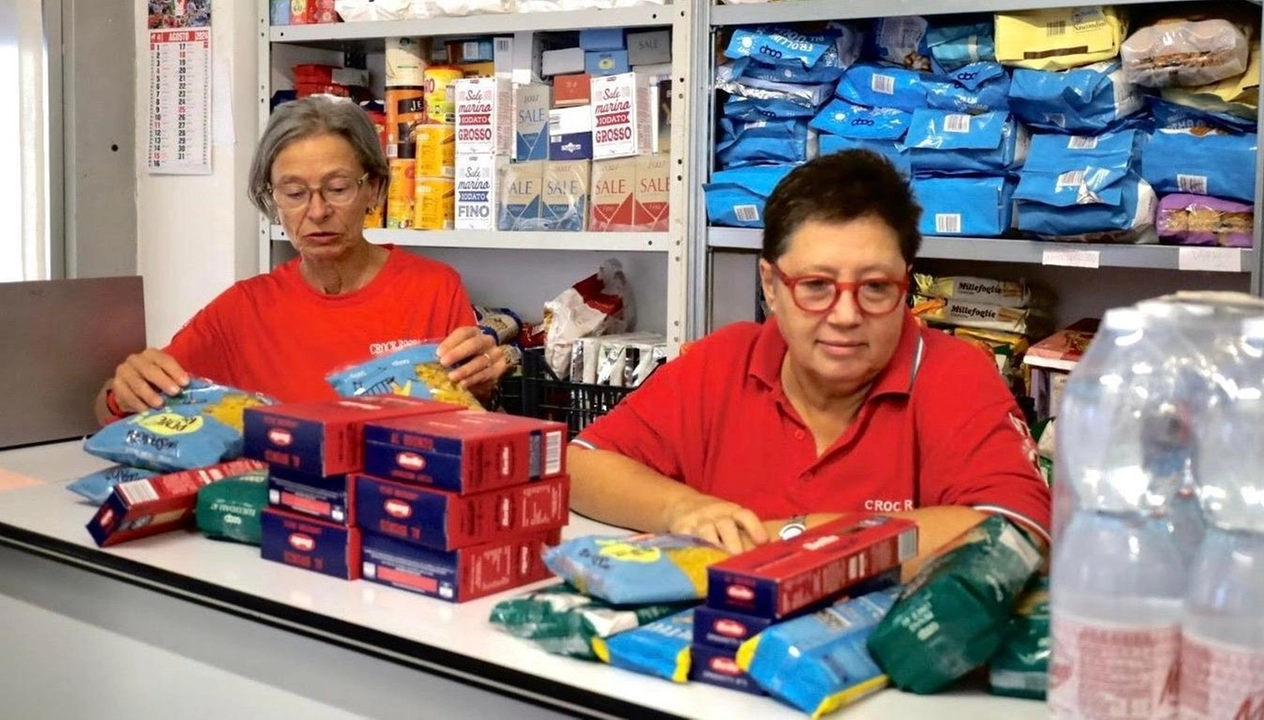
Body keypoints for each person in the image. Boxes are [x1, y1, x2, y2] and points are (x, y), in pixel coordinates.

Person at [568, 150, 1051, 558]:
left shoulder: (954, 374)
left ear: (906, 285)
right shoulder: (724, 361)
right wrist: (682, 509)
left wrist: (788, 539)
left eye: (876, 287)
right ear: (770, 286)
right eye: (816, 286)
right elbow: (582, 466)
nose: (845, 314)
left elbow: (1021, 531)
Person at [95, 95, 508, 425]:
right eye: (293, 193)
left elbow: (468, 415)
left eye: (338, 188)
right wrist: (124, 390)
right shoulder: (243, 309)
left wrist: (483, 384)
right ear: (272, 200)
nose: (317, 211)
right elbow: (113, 406)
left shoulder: (433, 287)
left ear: (375, 190)